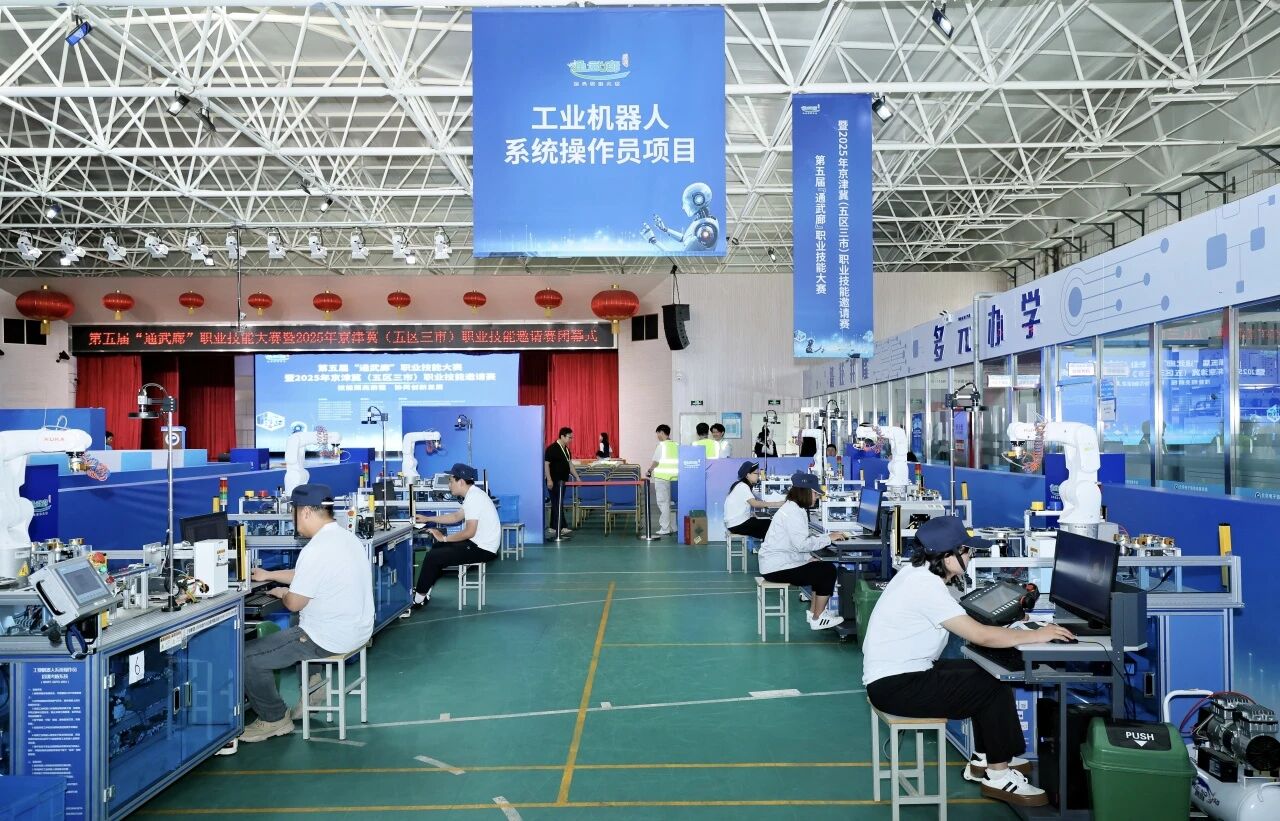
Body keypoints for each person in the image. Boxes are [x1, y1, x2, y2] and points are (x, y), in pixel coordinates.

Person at [862, 516, 1075, 809]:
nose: (970, 555)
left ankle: (985, 758)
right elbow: (980, 635)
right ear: (947, 556)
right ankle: (998, 776)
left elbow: (966, 618)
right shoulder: (925, 586)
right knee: (989, 687)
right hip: (897, 686)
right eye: (966, 551)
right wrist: (1038, 635)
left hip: (898, 675)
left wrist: (1010, 621)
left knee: (984, 673)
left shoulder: (916, 573)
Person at [240, 483, 374, 743]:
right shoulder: (346, 537)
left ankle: (274, 718)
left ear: (305, 512)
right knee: (299, 620)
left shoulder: (315, 549)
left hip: (330, 637)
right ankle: (313, 686)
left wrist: (282, 593)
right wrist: (269, 575)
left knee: (248, 656)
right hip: (359, 630)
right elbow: (308, 576)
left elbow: (294, 603)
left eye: (293, 512)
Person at [758, 471, 849, 630]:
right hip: (776, 568)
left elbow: (795, 543)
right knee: (828, 571)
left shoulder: (793, 508)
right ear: (804, 492)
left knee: (817, 567)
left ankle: (813, 613)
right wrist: (829, 538)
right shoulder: (793, 512)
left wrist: (807, 558)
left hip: (776, 563)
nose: (817, 497)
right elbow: (801, 544)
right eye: (815, 494)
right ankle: (818, 617)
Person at [412, 462, 500, 609]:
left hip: (483, 549)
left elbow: (469, 532)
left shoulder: (474, 497)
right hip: (479, 544)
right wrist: (428, 519)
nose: (449, 485)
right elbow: (455, 517)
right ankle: (425, 591)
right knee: (437, 548)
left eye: (451, 481)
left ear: (461, 482)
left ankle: (418, 599)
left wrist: (444, 538)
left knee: (434, 557)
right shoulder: (473, 494)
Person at [723, 461, 781, 540]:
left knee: (766, 524)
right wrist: (777, 504)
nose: (758, 475)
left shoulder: (740, 485)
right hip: (737, 524)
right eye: (756, 473)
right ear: (747, 475)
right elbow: (755, 504)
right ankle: (769, 546)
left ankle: (767, 545)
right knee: (770, 525)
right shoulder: (743, 486)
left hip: (735, 523)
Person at [544, 427, 578, 537]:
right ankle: (561, 527)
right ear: (562, 436)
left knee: (557, 503)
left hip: (562, 481)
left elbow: (570, 465)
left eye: (572, 438)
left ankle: (553, 527)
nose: (571, 440)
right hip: (553, 481)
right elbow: (546, 465)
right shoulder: (552, 448)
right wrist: (549, 479)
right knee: (557, 503)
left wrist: (577, 478)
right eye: (569, 437)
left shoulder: (566, 450)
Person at [646, 424, 678, 537]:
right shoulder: (676, 445)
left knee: (663, 502)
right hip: (675, 478)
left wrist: (649, 470)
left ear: (662, 432)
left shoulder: (661, 446)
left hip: (662, 478)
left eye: (658, 433)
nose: (657, 436)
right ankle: (673, 526)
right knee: (671, 503)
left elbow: (656, 462)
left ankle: (665, 528)